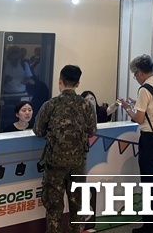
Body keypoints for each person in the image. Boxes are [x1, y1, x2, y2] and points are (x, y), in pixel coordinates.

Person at [33, 65, 97, 233]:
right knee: (77, 205)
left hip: (54, 164)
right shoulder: (87, 105)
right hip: (78, 164)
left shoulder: (50, 105)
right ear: (78, 84)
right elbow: (92, 131)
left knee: (54, 208)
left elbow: (38, 131)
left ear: (60, 81)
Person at [119, 54, 153, 233]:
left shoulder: (144, 89)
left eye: (135, 75)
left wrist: (127, 108)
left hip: (149, 140)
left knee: (149, 184)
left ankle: (149, 227)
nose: (136, 78)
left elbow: (140, 119)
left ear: (140, 72)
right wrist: (137, 103)